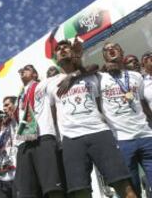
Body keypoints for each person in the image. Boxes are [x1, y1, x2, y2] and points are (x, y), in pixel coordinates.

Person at [48, 40, 136, 198]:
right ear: (55, 56)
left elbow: (95, 66)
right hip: (71, 139)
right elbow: (53, 114)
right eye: (58, 49)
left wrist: (74, 73)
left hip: (99, 132)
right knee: (80, 192)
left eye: (65, 47)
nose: (62, 50)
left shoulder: (93, 76)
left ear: (73, 52)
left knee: (123, 185)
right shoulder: (50, 83)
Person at [98, 42, 152, 196]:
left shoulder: (136, 76)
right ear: (104, 56)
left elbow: (143, 103)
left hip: (147, 136)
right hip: (122, 140)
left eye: (114, 47)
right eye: (106, 49)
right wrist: (102, 68)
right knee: (132, 191)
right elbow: (82, 72)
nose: (111, 50)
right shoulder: (99, 78)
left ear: (121, 51)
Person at [14, 64, 65, 198]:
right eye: (22, 69)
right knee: (26, 192)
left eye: (27, 69)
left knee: (52, 187)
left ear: (35, 75)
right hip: (24, 143)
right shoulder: (19, 97)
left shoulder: (43, 85)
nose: (23, 71)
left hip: (43, 137)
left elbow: (63, 77)